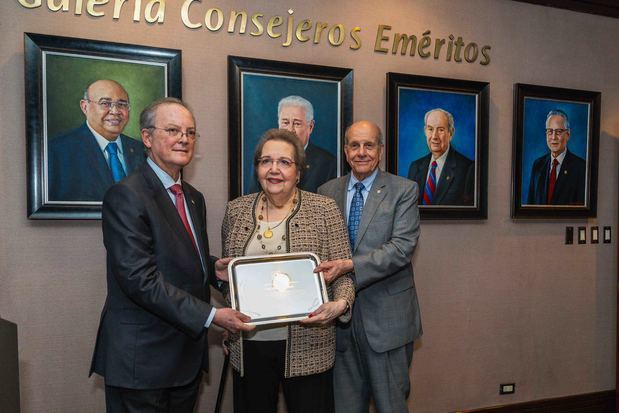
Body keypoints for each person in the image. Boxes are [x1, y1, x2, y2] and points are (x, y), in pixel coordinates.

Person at [89, 97, 254, 413]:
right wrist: (212, 316)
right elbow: (140, 278)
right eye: (173, 130)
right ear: (148, 138)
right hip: (142, 362)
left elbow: (175, 252)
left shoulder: (193, 197)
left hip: (184, 360)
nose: (184, 139)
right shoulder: (126, 195)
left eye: (191, 133)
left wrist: (211, 267)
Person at [220, 128, 355, 413]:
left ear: (299, 171)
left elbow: (343, 272)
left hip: (310, 345)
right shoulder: (236, 211)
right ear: (257, 168)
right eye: (266, 161)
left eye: (284, 162)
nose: (274, 169)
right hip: (249, 346)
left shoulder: (324, 210)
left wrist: (340, 304)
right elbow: (228, 279)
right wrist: (228, 315)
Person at [317, 120, 421, 413]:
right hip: (340, 323)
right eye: (354, 145)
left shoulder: (404, 190)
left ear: (381, 149)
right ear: (346, 150)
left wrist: (348, 265)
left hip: (387, 321)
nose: (361, 152)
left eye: (369, 145)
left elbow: (401, 249)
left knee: (391, 406)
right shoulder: (326, 192)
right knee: (346, 407)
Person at [47, 79, 146, 202]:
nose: (115, 111)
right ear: (85, 107)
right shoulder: (57, 151)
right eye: (105, 103)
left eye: (122, 104)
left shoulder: (142, 150)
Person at [249, 95, 337, 193]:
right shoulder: (263, 157)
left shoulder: (327, 163)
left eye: (297, 124)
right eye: (285, 123)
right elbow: (254, 197)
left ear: (311, 126)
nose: (290, 130)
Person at [407, 108, 474, 205]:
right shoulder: (415, 167)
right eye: (430, 129)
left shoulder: (468, 169)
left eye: (441, 130)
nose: (434, 136)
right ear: (425, 131)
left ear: (451, 133)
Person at [527, 109, 586, 205]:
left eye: (558, 132)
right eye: (550, 131)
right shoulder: (537, 165)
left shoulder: (581, 168)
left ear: (568, 134)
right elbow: (530, 206)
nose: (553, 137)